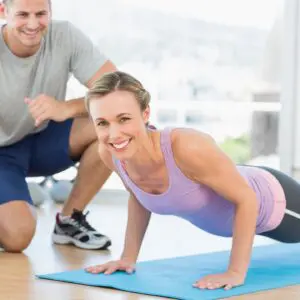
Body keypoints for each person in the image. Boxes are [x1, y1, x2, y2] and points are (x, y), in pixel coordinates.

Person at [83, 70, 300, 290]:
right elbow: (137, 196)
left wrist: (235, 272)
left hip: (276, 202)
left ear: (146, 113)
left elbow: (247, 197)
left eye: (124, 119)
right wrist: (127, 258)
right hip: (242, 184)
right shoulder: (109, 153)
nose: (114, 134)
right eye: (102, 123)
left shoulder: (186, 145)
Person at [0, 0, 117, 252]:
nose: (33, 24)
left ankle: (69, 220)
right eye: (22, 15)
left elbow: (119, 91)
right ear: (3, 12)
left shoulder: (64, 35)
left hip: (44, 138)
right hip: (2, 154)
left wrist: (67, 108)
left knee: (115, 126)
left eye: (41, 14)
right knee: (17, 237)